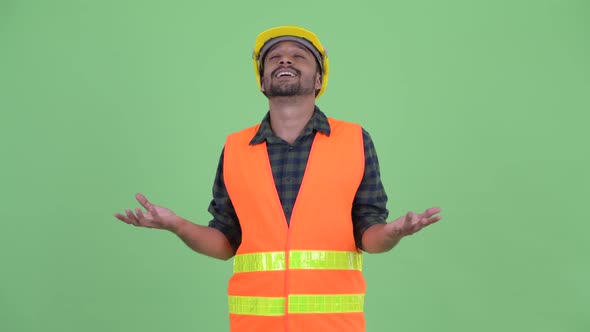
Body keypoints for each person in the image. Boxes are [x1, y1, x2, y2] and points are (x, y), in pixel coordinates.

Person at [114, 26, 442, 332]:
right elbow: (225, 242)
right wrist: (178, 225)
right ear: (262, 81)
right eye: (274, 57)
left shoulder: (355, 140)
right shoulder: (235, 148)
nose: (284, 59)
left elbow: (368, 234)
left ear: (319, 80)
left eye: (298, 56)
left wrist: (394, 232)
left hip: (334, 326)